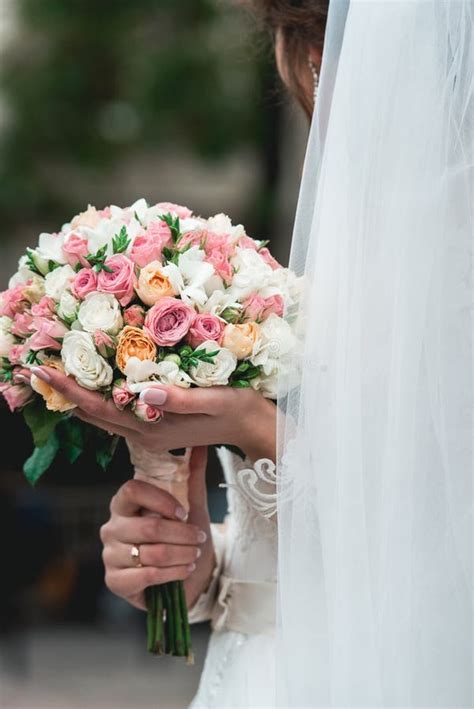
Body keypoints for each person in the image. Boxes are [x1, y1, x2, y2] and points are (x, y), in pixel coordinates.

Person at [22, 0, 473, 706]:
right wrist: (200, 562)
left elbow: (439, 539)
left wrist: (250, 425)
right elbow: (286, 566)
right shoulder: (335, 266)